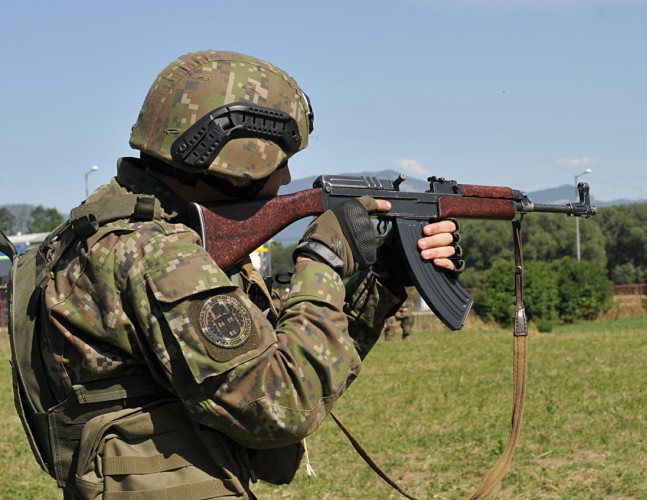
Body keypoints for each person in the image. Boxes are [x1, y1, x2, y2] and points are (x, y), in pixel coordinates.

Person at [7, 50, 461, 499]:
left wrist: (385, 277)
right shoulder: (158, 255)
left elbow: (282, 355)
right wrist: (321, 258)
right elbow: (283, 404)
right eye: (278, 160)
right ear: (236, 154)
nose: (286, 178)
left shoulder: (112, 226)